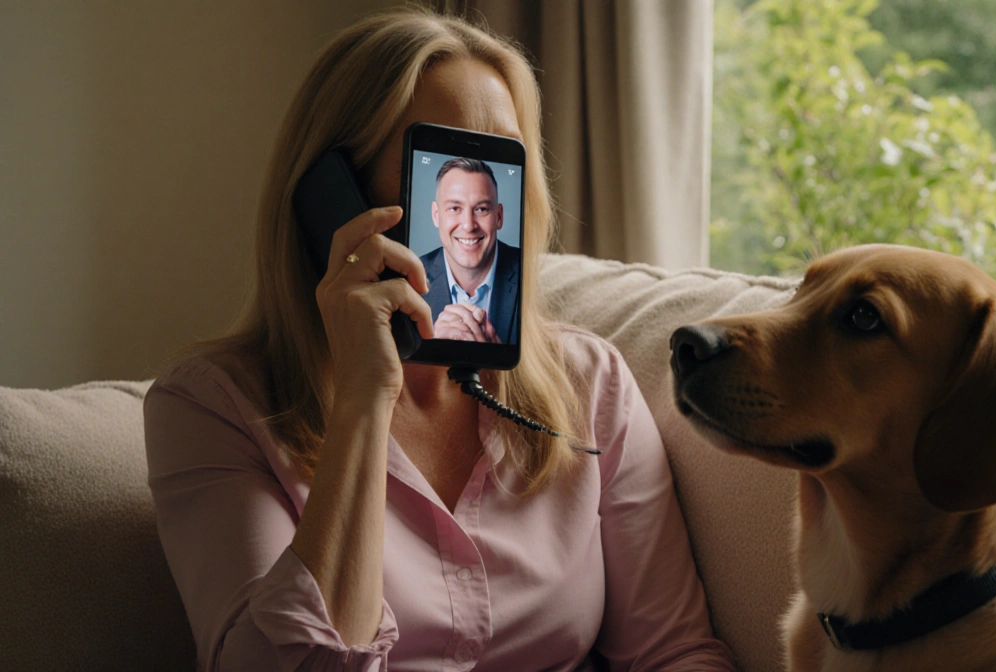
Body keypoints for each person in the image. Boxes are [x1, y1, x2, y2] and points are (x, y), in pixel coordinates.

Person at [143, 8, 736, 671]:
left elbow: (677, 653)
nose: (476, 214)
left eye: (501, 167)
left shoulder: (591, 384)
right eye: (443, 163)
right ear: (330, 199)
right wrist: (363, 403)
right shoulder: (211, 408)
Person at [420, 157, 519, 344]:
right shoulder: (408, 281)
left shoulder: (532, 275)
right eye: (454, 208)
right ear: (436, 215)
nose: (468, 225)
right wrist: (431, 348)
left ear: (499, 217)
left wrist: (495, 357)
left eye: (481, 209)